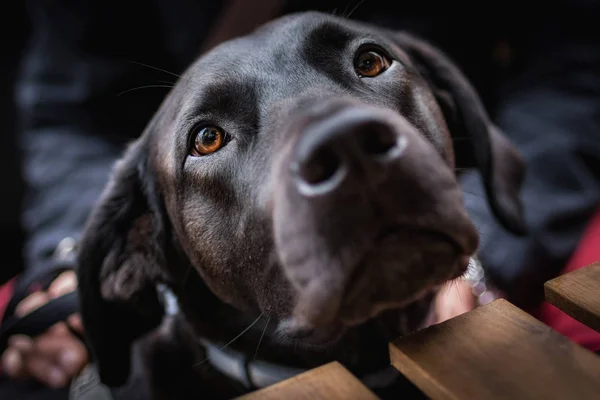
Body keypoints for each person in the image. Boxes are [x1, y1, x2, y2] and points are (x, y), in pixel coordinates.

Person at [2, 1, 600, 398]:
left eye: (369, 63)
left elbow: (573, 65)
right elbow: (67, 114)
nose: (340, 135)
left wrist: (489, 251)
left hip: (482, 205)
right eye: (208, 139)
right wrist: (71, 260)